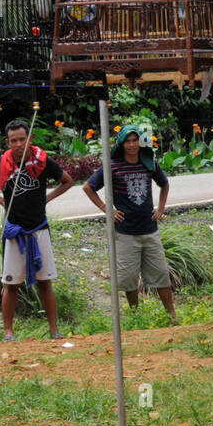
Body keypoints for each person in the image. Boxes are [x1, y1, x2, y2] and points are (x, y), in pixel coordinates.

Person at [0, 119, 73, 340]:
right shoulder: (1, 164)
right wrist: (0, 201)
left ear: (30, 139)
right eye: (14, 140)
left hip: (39, 228)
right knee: (10, 284)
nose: (19, 144)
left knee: (45, 283)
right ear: (8, 142)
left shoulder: (43, 161)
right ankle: (8, 332)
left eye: (22, 139)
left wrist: (47, 199)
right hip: (14, 231)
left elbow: (67, 181)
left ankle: (54, 331)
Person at [81, 126, 177, 323]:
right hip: (125, 232)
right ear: (121, 144)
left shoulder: (149, 163)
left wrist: (161, 208)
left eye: (135, 140)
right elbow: (88, 186)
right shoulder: (113, 166)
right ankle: (135, 317)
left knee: (161, 275)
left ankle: (172, 316)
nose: (132, 145)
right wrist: (106, 209)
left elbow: (164, 184)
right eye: (128, 141)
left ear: (140, 143)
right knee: (129, 279)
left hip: (150, 230)